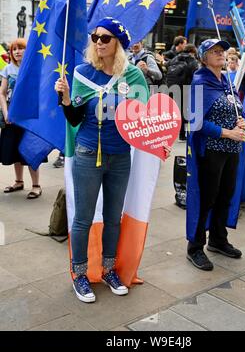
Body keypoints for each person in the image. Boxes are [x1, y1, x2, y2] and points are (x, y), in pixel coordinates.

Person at [55, 17, 170, 303]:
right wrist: (68, 100)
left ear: (118, 43)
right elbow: (75, 119)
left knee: (113, 219)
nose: (99, 43)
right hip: (87, 153)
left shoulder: (133, 77)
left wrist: (161, 141)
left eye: (105, 38)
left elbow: (146, 120)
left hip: (120, 157)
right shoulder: (82, 73)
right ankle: (80, 275)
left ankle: (109, 270)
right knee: (82, 218)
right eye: (95, 37)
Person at [186, 38, 245, 271]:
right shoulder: (200, 82)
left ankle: (218, 240)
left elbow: (235, 107)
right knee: (207, 198)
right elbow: (196, 121)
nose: (221, 53)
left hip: (232, 150)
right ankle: (195, 247)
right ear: (204, 57)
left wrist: (241, 121)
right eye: (214, 51)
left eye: (222, 50)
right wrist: (227, 133)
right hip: (211, 151)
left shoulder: (228, 81)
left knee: (226, 195)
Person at [0, 39, 42, 198]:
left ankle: (36, 185)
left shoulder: (33, 68)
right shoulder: (7, 69)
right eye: (14, 49)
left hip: (29, 118)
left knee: (30, 150)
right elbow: (2, 93)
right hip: (12, 118)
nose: (17, 52)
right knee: (14, 149)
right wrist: (6, 113)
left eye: (21, 48)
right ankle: (19, 181)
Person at [166, 43, 199, 140]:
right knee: (184, 112)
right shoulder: (192, 61)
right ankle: (182, 134)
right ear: (193, 52)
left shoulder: (176, 57)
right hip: (186, 88)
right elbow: (195, 75)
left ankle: (170, 132)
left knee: (174, 111)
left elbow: (168, 65)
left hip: (172, 87)